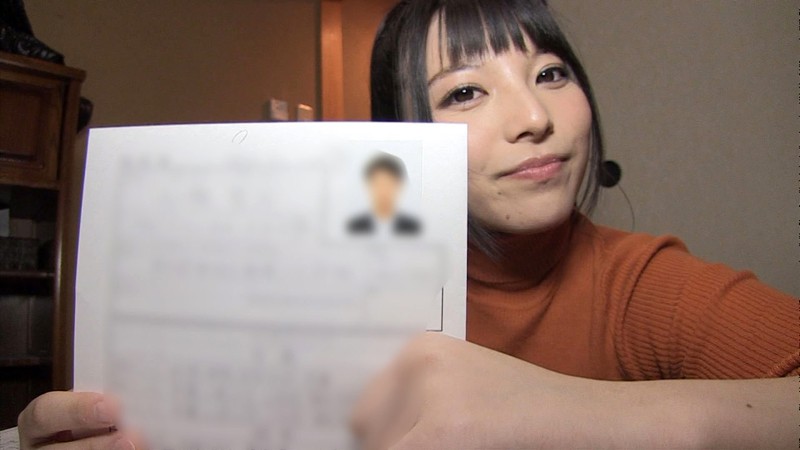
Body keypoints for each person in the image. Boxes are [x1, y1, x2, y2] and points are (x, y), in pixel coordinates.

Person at [14, 0, 799, 449]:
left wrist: (569, 415)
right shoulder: (329, 284)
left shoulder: (637, 285)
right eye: (466, 91)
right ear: (403, 135)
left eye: (551, 73)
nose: (535, 116)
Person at [347, 152, 421, 236]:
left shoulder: (412, 228)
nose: (383, 191)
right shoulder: (355, 227)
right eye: (378, 184)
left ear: (399, 187)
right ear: (368, 187)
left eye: (388, 184)